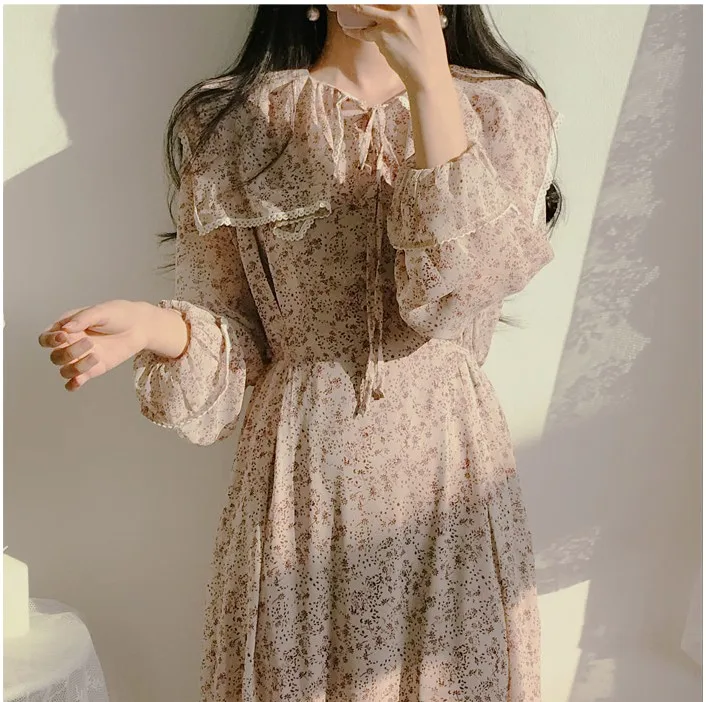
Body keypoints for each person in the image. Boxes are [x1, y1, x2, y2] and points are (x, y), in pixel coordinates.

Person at [38, 5, 562, 700]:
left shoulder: (503, 113)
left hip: (448, 466)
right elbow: (236, 338)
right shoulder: (232, 123)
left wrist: (429, 83)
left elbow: (451, 298)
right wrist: (157, 329)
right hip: (299, 474)